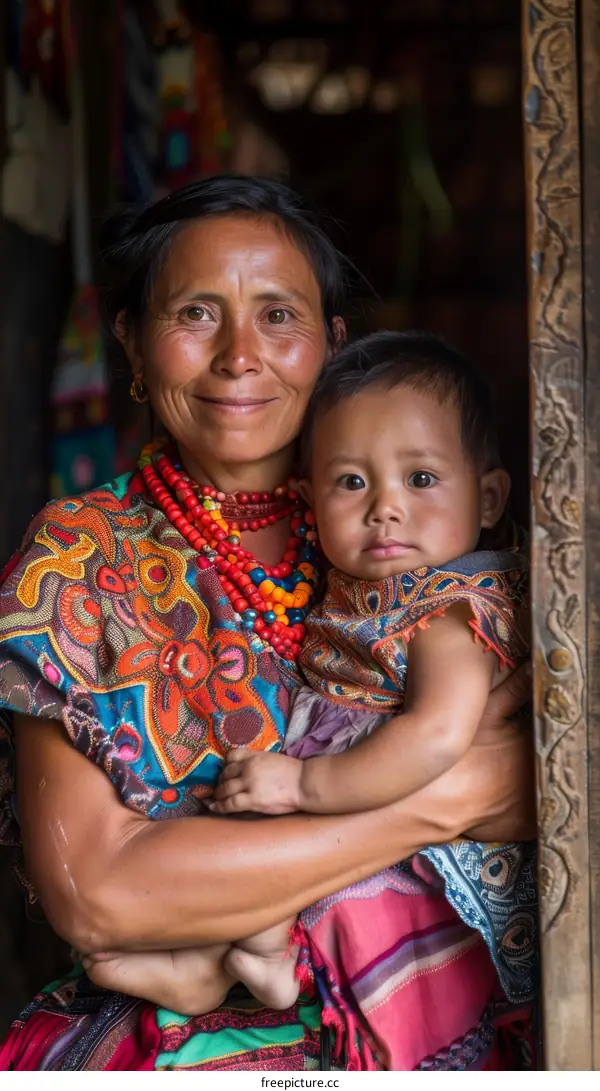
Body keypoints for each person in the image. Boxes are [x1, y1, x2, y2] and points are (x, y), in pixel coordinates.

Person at [0, 176, 534, 1072]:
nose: (242, 354)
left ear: (332, 343)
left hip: (439, 1013)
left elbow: (537, 790)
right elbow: (100, 895)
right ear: (131, 338)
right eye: (197, 314)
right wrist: (444, 800)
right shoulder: (79, 559)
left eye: (279, 315)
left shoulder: (414, 537)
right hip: (189, 1044)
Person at [85, 331, 535, 1070]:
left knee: (324, 869)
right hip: (351, 797)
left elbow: (435, 737)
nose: (386, 508)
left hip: (408, 832)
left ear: (487, 497)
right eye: (352, 482)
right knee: (256, 855)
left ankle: (253, 964)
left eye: (421, 479)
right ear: (307, 498)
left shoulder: (451, 612)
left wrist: (304, 782)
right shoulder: (377, 592)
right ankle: (234, 963)